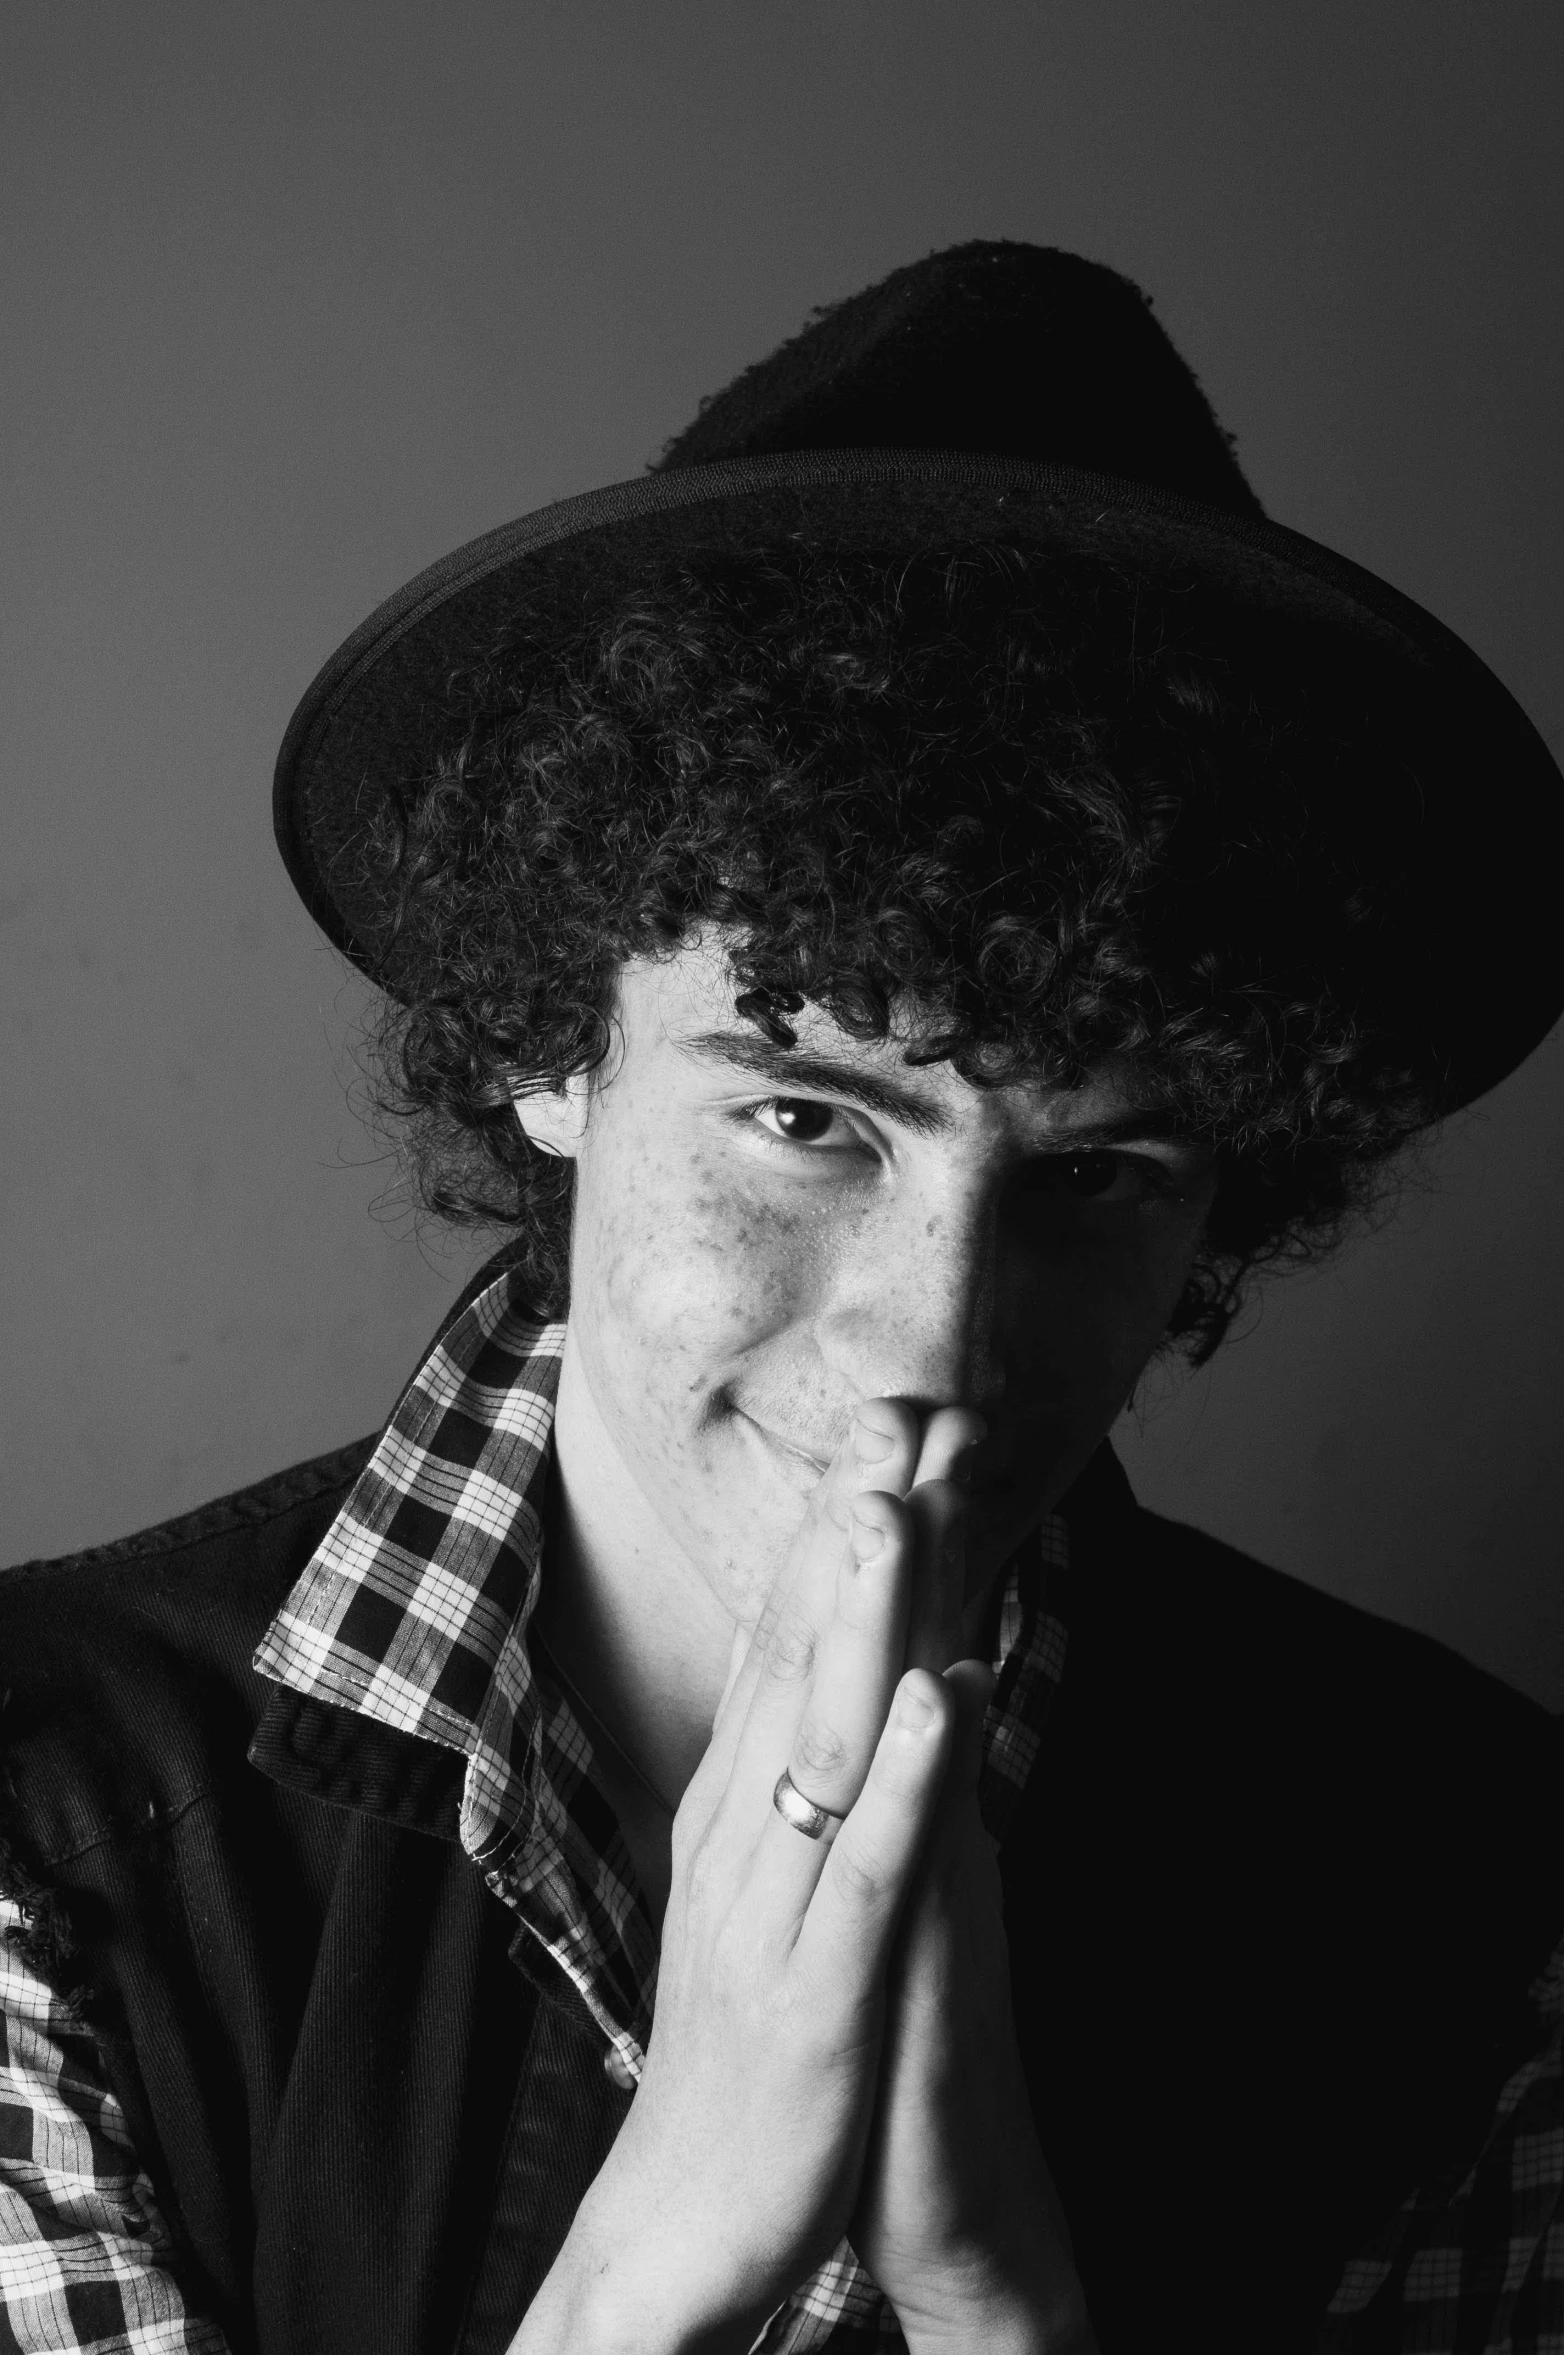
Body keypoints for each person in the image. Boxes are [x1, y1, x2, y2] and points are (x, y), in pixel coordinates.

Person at [2, 242, 1560, 2355]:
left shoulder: (1478, 1901)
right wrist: (655, 2260)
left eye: (1096, 1177)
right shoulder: (44, 1834)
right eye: (809, 1120)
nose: (935, 1340)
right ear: (552, 1045)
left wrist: (999, 2305)